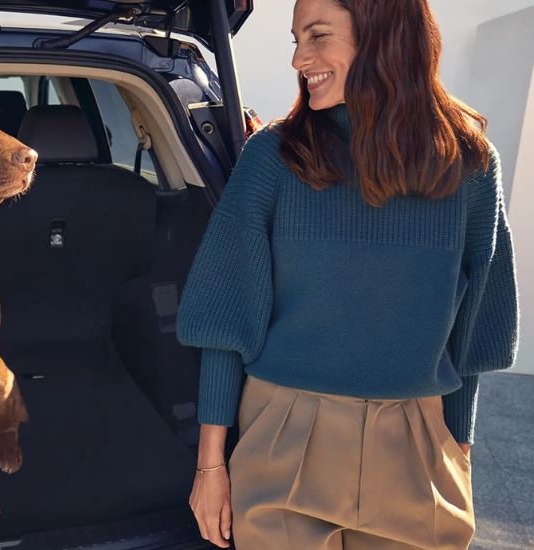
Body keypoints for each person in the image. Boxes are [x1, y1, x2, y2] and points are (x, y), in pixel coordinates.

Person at [175, 0, 518, 548]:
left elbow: (473, 334)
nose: (299, 60)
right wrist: (210, 467)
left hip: (416, 444)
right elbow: (226, 320)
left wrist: (459, 451)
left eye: (316, 36)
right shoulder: (274, 157)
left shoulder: (471, 164)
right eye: (295, 41)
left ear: (384, 35)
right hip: (283, 434)